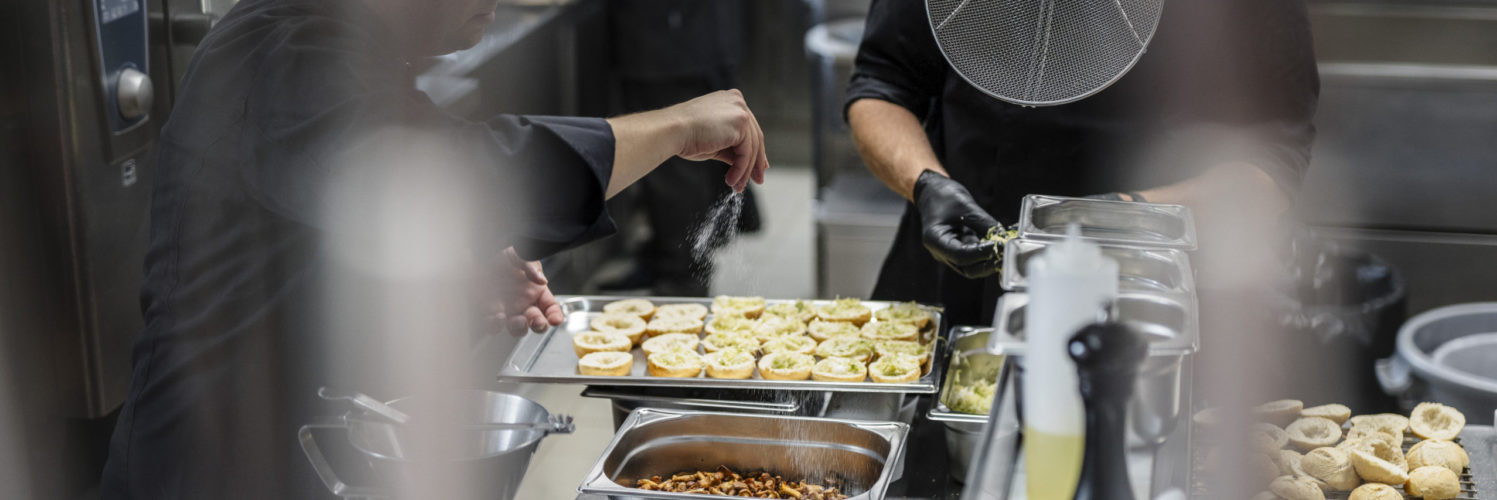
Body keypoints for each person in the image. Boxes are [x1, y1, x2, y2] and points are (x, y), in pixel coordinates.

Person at [99, 0, 769, 497]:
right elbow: (478, 171)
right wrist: (676, 127)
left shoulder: (357, 57)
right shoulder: (291, 50)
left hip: (318, 445)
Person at [846, 0, 1319, 325]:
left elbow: (1272, 161)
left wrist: (1124, 216)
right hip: (957, 271)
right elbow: (881, 84)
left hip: (1152, 299)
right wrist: (926, 183)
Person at [598, 0, 761, 296]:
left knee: (675, 169)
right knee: (658, 163)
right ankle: (663, 257)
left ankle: (683, 278)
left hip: (673, 36)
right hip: (664, 34)